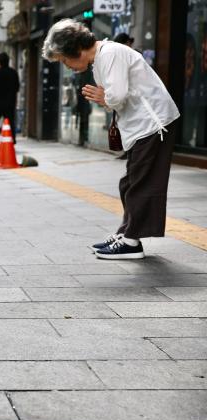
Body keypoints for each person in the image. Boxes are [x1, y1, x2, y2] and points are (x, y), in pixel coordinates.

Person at [43, 19, 180, 260]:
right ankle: (127, 232)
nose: (68, 67)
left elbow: (116, 96)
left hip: (153, 124)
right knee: (130, 183)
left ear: (75, 49)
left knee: (142, 183)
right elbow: (113, 100)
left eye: (65, 60)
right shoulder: (100, 60)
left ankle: (131, 242)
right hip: (142, 126)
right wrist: (106, 98)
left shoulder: (110, 54)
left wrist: (104, 97)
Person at [0, 52, 20, 146]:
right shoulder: (13, 72)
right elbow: (17, 87)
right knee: (10, 121)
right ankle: (12, 140)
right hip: (11, 101)